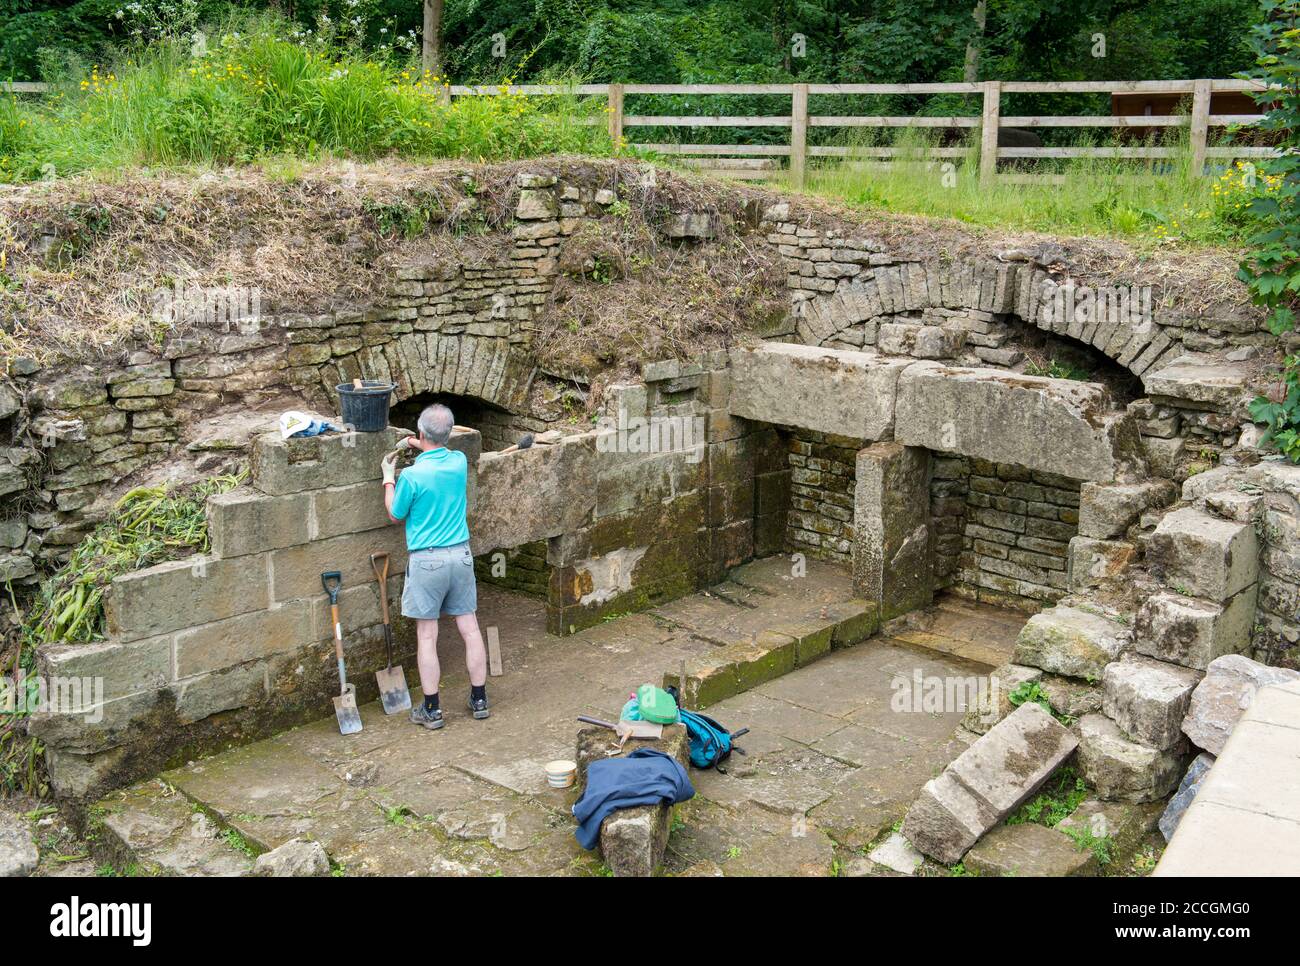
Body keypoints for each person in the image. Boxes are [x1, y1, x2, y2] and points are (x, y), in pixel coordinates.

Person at [381, 403, 489, 730]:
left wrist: (388, 479)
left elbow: (395, 515)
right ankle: (480, 699)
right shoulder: (458, 462)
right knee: (469, 627)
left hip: (427, 559)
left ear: (421, 433)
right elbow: (440, 446)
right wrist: (418, 444)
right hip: (461, 555)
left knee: (427, 634)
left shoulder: (411, 476)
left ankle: (432, 709)